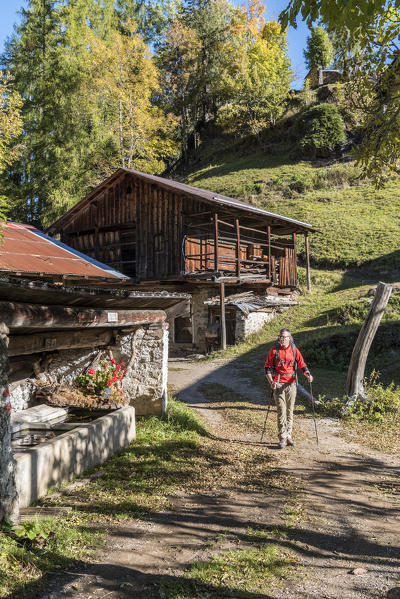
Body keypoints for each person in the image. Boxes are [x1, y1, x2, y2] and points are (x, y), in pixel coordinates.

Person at [264, 328, 313, 449]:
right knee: (281, 410)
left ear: (289, 338)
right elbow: (267, 368)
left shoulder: (294, 349)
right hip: (279, 383)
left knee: (290, 411)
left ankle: (289, 435)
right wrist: (271, 381)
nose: (282, 339)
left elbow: (302, 364)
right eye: (280, 337)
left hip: (291, 383)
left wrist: (308, 375)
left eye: (284, 337)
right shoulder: (274, 350)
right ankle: (282, 437)